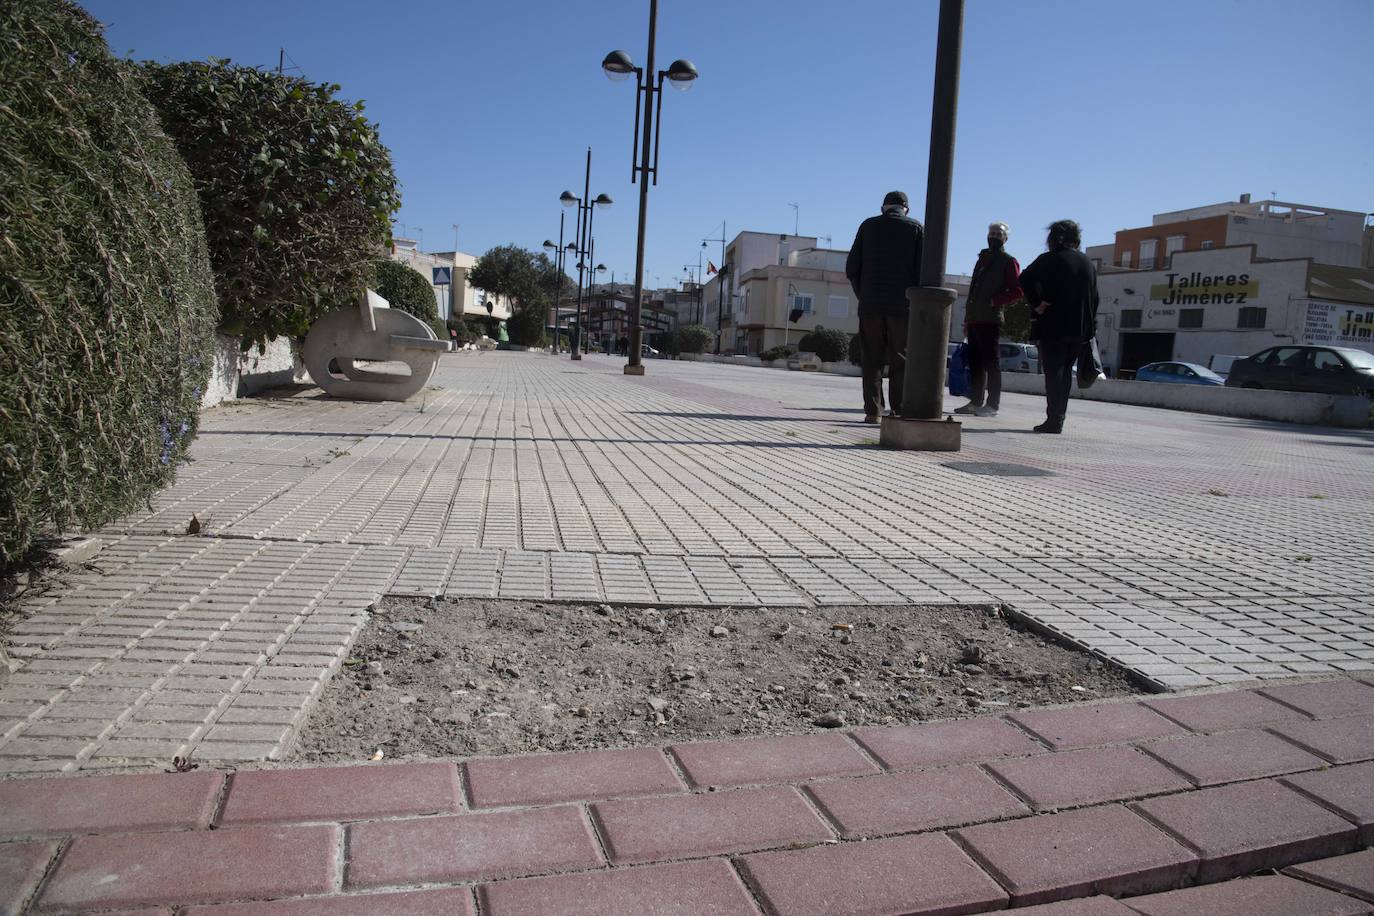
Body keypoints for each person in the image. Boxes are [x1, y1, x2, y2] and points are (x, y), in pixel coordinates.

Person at [845, 190, 924, 423]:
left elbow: (852, 267)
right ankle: (897, 411)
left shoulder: (867, 227)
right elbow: (922, 272)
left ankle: (873, 411)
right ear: (906, 209)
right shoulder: (916, 229)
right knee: (900, 359)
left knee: (871, 359)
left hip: (870, 305)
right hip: (902, 307)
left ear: (883, 208)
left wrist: (864, 295)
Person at [1017, 219, 1100, 434]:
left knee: (1054, 372)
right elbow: (1095, 299)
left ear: (1055, 238)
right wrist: (1091, 329)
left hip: (1054, 326)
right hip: (1079, 329)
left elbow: (1024, 278)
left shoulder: (1050, 259)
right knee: (1064, 376)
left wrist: (1037, 303)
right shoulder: (1087, 263)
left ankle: (1054, 419)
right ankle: (1058, 417)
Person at [955, 222, 1021, 418]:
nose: (994, 236)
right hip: (975, 319)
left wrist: (995, 301)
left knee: (991, 363)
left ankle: (992, 404)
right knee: (975, 363)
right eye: (991, 233)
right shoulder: (982, 258)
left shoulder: (1008, 261)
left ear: (1005, 239)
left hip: (990, 320)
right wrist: (967, 320)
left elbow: (1017, 291)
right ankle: (975, 401)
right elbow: (974, 289)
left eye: (998, 234)